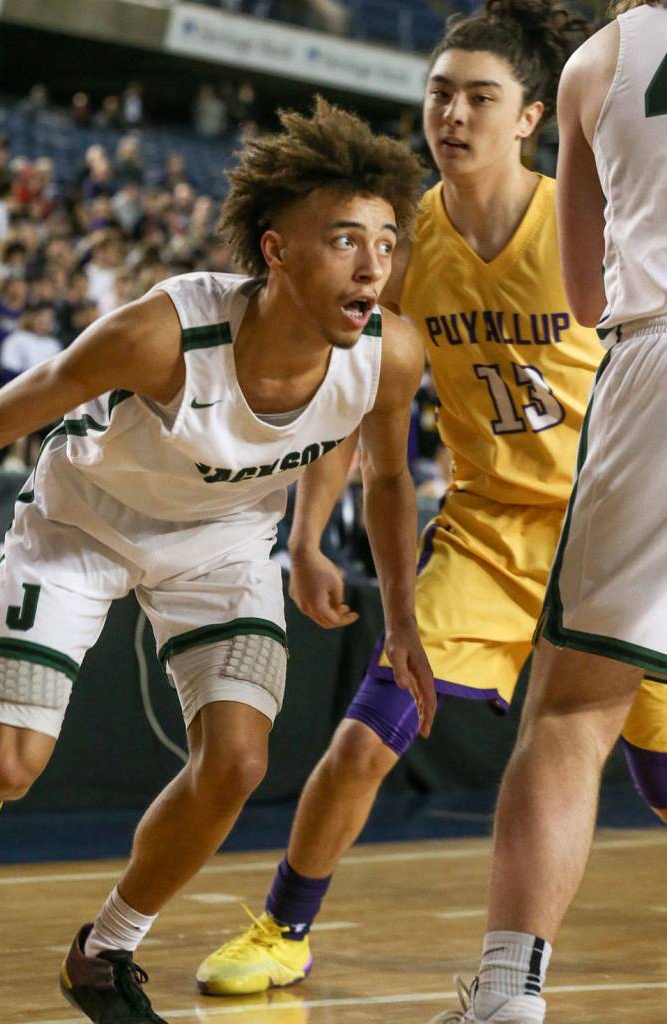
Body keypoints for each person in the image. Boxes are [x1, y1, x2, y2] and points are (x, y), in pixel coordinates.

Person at [0, 99, 434, 1024]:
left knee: (239, 760)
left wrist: (392, 614)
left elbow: (386, 475)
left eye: (385, 239)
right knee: (11, 766)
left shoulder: (389, 353)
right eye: (343, 239)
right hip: (82, 521)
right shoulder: (162, 333)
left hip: (224, 543)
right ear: (277, 251)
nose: (374, 264)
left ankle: (106, 951)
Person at [196, 0, 667, 998]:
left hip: (607, 519)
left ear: (531, 117)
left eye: (478, 98)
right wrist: (309, 535)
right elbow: (358, 395)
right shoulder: (399, 244)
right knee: (368, 733)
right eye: (438, 93)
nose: (451, 115)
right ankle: (285, 927)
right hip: (489, 529)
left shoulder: (587, 213)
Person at [428, 3, 667, 1022]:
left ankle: (507, 998)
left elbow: (580, 292)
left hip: (656, 368)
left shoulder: (598, 60)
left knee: (572, 711)